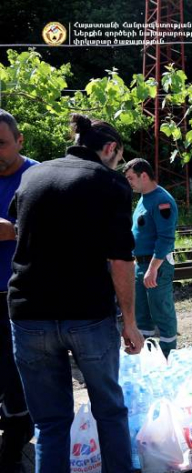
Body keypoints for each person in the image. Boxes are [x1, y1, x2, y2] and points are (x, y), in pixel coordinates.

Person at [8, 114, 144, 473]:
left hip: (29, 316)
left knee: (50, 424)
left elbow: (17, 227)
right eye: (118, 156)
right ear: (110, 148)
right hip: (87, 315)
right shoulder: (110, 184)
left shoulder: (33, 175)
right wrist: (130, 322)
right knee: (110, 412)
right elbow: (120, 259)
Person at [0, 110, 36, 472]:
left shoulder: (37, 177)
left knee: (16, 377)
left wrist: (13, 231)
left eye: (1, 143)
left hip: (20, 298)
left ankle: (14, 451)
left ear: (20, 140)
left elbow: (59, 236)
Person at [123, 158, 179, 357]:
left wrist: (153, 268)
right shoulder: (144, 198)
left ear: (144, 175)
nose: (128, 182)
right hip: (141, 263)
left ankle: (168, 354)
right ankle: (147, 353)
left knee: (161, 310)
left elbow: (166, 238)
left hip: (156, 265)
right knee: (142, 313)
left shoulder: (162, 200)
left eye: (131, 178)